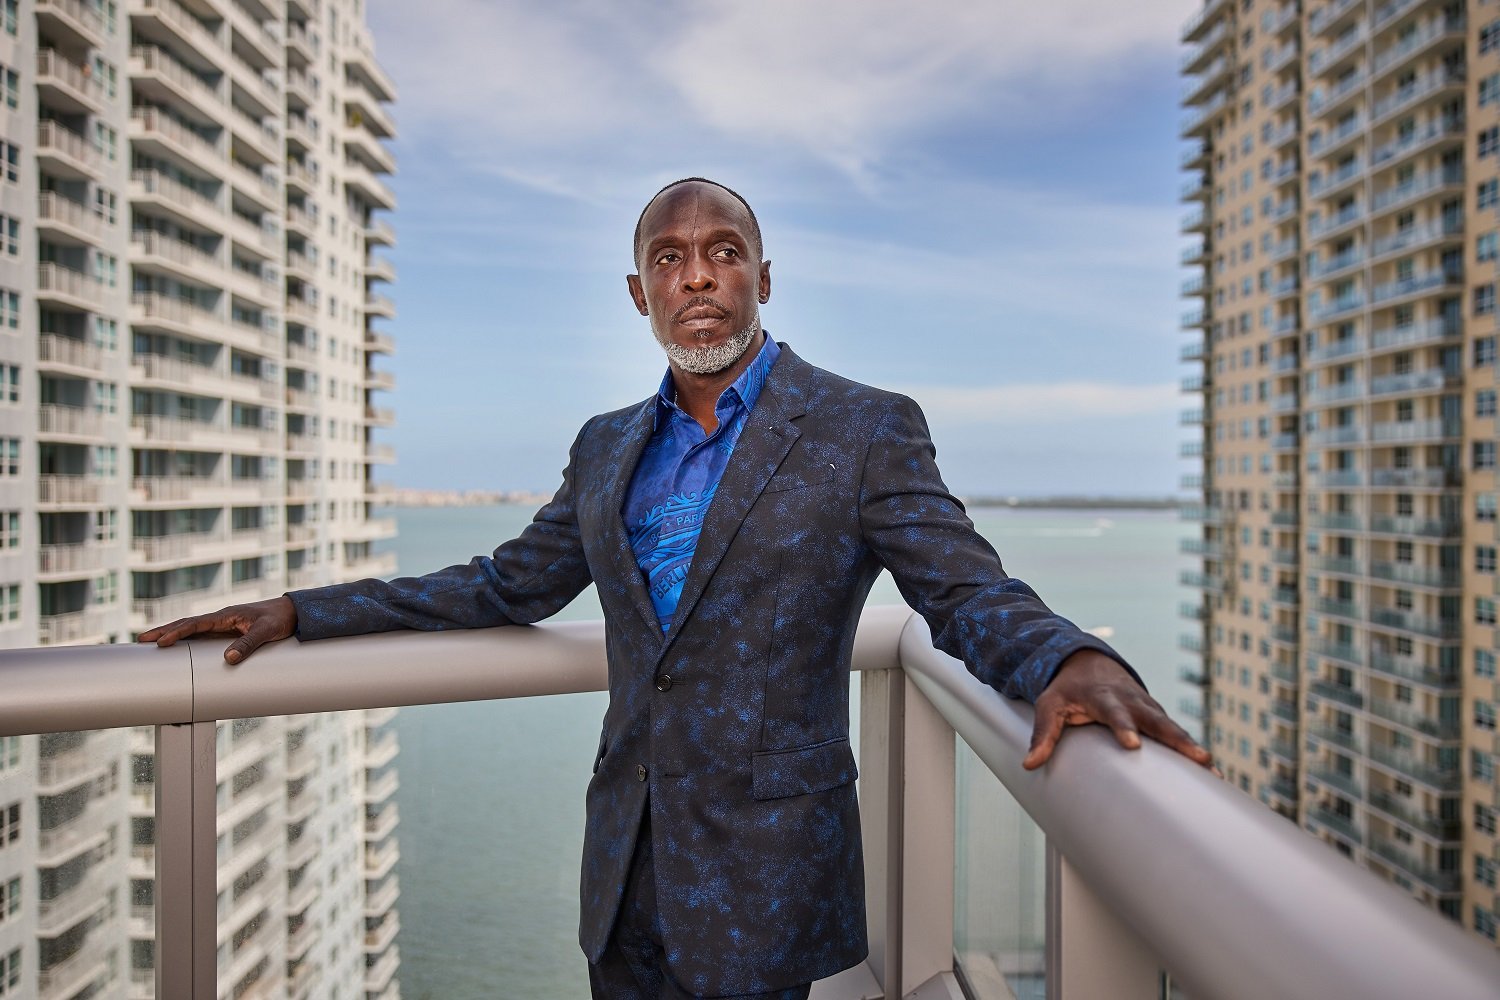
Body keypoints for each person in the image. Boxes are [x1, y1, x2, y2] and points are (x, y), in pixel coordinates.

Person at [141, 178, 1211, 1000]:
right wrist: (303, 611)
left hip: (765, 873)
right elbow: (505, 584)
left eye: (723, 253)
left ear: (762, 278)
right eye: (670, 257)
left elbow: (964, 588)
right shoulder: (607, 447)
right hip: (626, 868)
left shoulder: (862, 428)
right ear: (639, 291)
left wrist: (1069, 658)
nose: (698, 275)